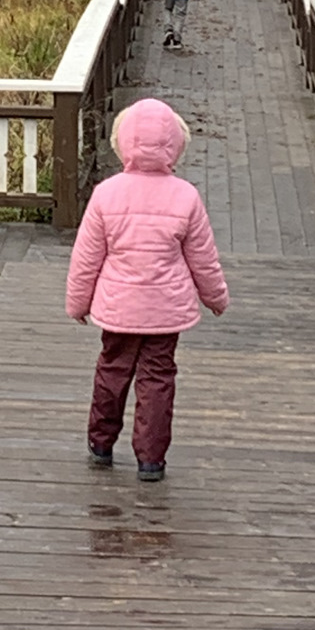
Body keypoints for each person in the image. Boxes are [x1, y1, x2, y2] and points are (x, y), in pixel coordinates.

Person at [65, 97, 228, 479]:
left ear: (122, 142)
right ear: (175, 144)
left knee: (112, 370)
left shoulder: (106, 193)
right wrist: (215, 297)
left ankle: (101, 443)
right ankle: (151, 459)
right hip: (165, 310)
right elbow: (203, 257)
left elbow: (87, 257)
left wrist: (78, 303)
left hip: (119, 307)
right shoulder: (185, 195)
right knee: (157, 378)